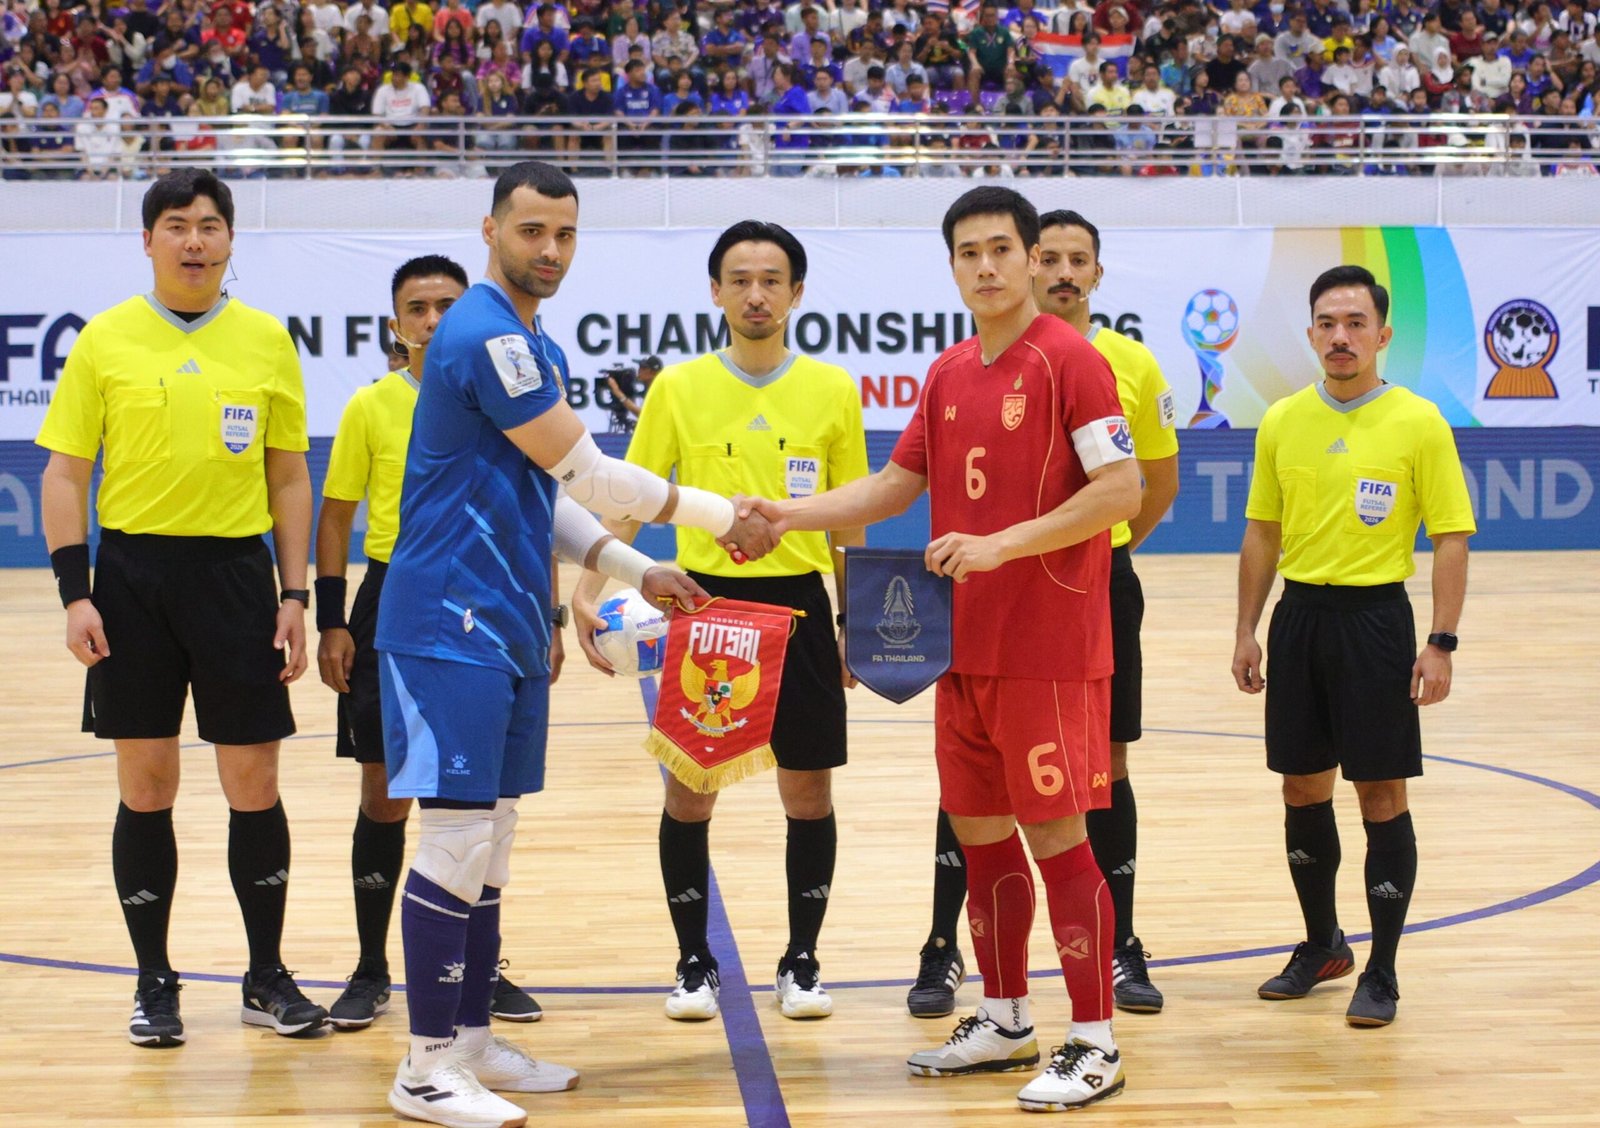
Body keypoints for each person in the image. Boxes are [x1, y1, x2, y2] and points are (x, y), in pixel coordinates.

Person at [375, 160, 776, 1127]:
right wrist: (720, 515)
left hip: (509, 620)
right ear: (490, 231)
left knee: (492, 843)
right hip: (447, 622)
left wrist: (636, 570)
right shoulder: (484, 333)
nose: (549, 250)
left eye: (564, 234)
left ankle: (470, 1044)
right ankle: (424, 1068)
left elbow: (545, 498)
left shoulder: (533, 342)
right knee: (457, 839)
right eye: (531, 232)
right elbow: (593, 474)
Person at [743, 187, 1141, 1113]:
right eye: (969, 253)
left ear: (1033, 257)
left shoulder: (1072, 361)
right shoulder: (950, 370)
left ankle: (1095, 1040)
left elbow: (1121, 488)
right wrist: (787, 515)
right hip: (959, 649)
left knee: (1058, 840)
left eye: (1002, 249)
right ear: (953, 265)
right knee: (980, 835)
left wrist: (1003, 544)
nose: (987, 267)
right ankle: (1005, 1018)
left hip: (1047, 648)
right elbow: (895, 484)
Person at [36, 169, 326, 1048]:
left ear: (231, 240)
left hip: (236, 579)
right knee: (146, 785)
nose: (194, 241)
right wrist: (76, 592)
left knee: (255, 784)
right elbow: (65, 474)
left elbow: (288, 475)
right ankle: (154, 980)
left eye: (208, 225)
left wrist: (294, 594)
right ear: (148, 241)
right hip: (131, 582)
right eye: (176, 225)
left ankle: (265, 976)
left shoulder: (267, 341)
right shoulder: (106, 339)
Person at [572, 221, 869, 1025]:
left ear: (797, 293)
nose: (756, 295)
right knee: (689, 792)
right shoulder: (677, 388)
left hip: (801, 603)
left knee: (808, 792)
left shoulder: (834, 389)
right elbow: (630, 496)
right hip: (703, 605)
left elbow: (850, 520)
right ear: (715, 291)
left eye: (772, 280)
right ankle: (693, 962)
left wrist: (856, 621)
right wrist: (588, 586)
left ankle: (801, 960)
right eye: (740, 280)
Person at [1232, 265, 1475, 1028]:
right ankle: (1322, 945)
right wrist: (1246, 629)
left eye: (1356, 323)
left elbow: (1451, 536)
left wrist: (1440, 642)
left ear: (1382, 333)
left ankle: (1383, 969)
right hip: (1299, 618)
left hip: (1376, 623)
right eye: (1328, 324)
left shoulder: (1419, 422)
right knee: (1301, 788)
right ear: (1310, 334)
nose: (1341, 337)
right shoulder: (1282, 420)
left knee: (1380, 794)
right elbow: (1262, 532)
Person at [314, 255, 543, 1030]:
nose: (435, 320)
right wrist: (332, 619)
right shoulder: (372, 405)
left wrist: (544, 612)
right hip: (400, 596)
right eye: (418, 308)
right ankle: (371, 968)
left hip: (490, 594)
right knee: (385, 794)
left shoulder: (506, 395)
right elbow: (336, 515)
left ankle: (477, 971)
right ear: (396, 324)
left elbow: (535, 505)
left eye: (448, 304)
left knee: (483, 802)